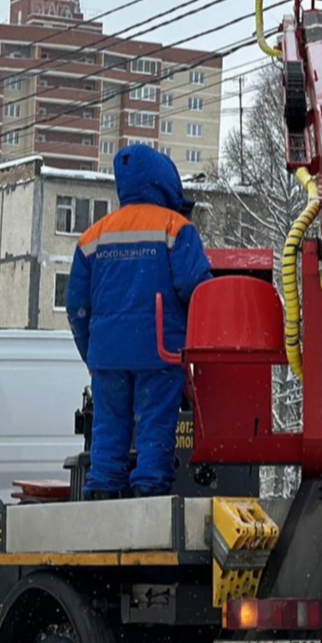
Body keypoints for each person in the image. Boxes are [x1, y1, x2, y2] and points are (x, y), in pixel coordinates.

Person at [65, 143, 212, 499]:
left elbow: (75, 306)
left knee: (109, 428)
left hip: (108, 355)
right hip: (159, 352)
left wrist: (94, 354)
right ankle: (149, 494)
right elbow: (199, 289)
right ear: (165, 182)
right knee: (155, 428)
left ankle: (102, 492)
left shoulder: (93, 236)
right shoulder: (175, 228)